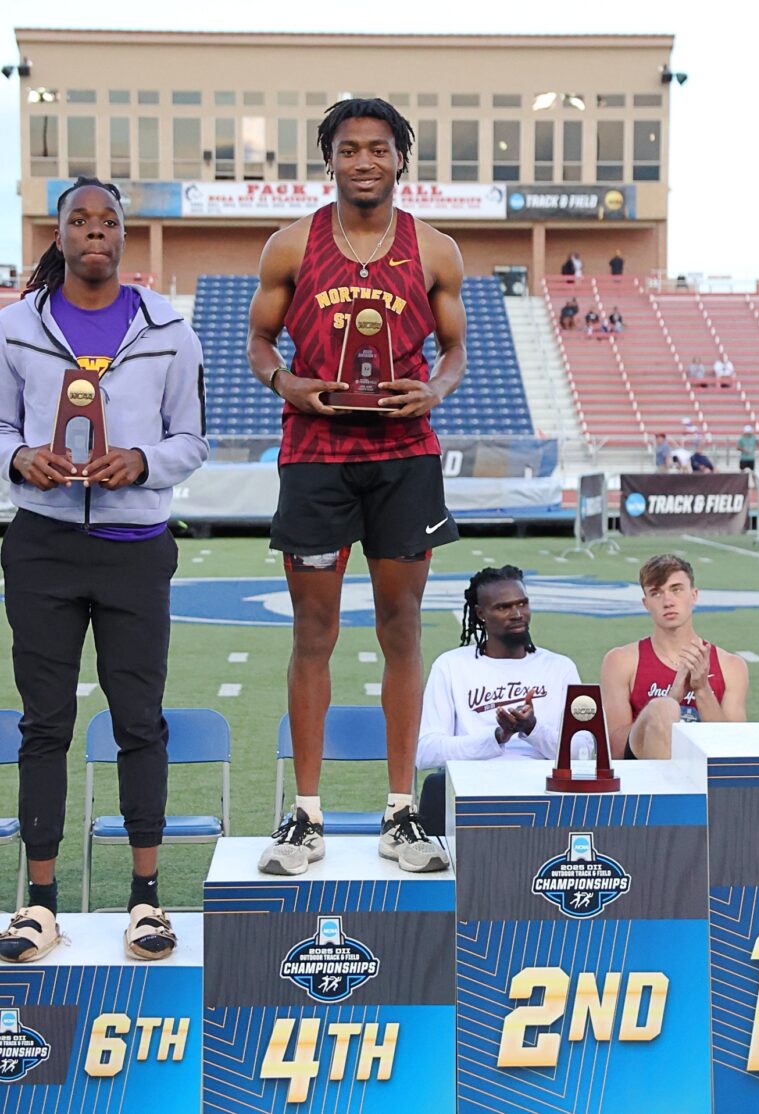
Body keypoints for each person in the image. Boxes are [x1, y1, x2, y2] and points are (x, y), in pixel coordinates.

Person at [246, 98, 466, 876]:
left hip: (405, 452)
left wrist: (434, 391)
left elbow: (455, 349)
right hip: (315, 453)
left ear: (401, 158)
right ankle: (304, 818)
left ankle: (401, 814)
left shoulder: (435, 249)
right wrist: (285, 382)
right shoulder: (291, 243)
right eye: (349, 149)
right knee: (313, 632)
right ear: (329, 158)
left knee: (401, 626)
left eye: (378, 148)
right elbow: (258, 338)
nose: (364, 160)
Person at [0, 177, 208, 963]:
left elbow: (191, 437)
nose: (95, 231)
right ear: (59, 236)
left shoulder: (170, 328)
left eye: (108, 221)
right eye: (79, 221)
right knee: (44, 724)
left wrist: (143, 462)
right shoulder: (15, 328)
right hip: (43, 545)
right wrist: (21, 457)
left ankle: (145, 901)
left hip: (135, 549)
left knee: (138, 722)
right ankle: (40, 906)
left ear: (124, 237)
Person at [416, 566, 588, 834]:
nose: (517, 614)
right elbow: (426, 751)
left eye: (522, 603)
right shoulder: (451, 665)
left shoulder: (560, 667)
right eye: (503, 607)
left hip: (542, 788)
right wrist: (495, 737)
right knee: (436, 787)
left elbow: (583, 751)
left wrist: (531, 728)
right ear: (481, 614)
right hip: (473, 786)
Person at [600, 554, 748, 759]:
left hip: (706, 776)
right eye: (656, 593)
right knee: (663, 707)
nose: (668, 601)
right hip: (645, 777)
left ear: (694, 595)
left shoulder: (731, 666)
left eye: (676, 589)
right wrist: (672, 698)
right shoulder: (621, 661)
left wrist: (702, 689)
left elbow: (733, 752)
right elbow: (615, 750)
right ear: (646, 603)